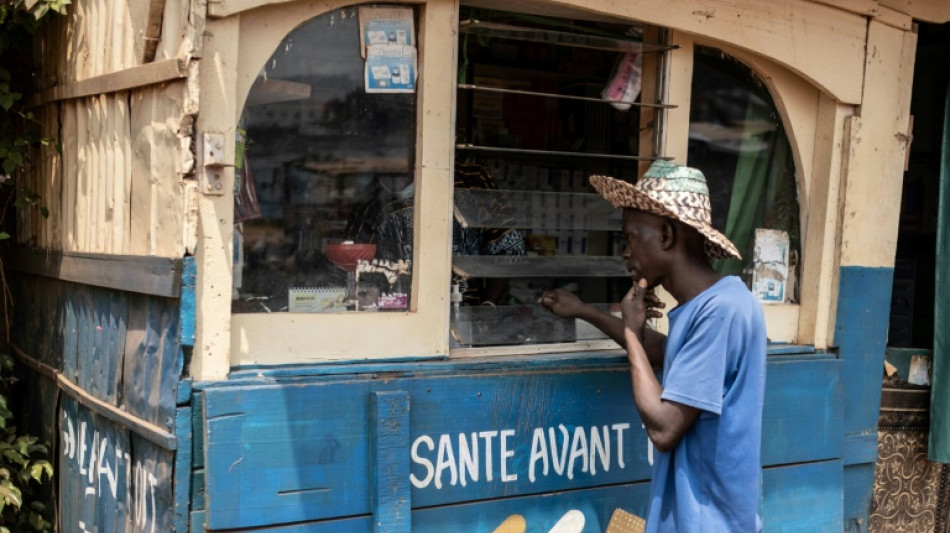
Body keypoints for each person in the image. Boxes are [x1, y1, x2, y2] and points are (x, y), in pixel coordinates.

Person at [540, 160, 767, 532]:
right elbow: (663, 353)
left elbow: (664, 428)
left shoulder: (721, 311)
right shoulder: (708, 305)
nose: (625, 252)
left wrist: (631, 333)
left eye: (630, 237)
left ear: (665, 235)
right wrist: (586, 311)